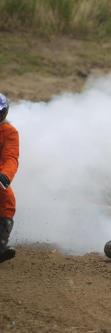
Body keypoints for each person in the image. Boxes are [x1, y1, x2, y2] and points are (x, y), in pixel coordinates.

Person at [0, 93, 19, 263]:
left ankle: (0, 246)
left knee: (7, 199)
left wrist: (5, 176)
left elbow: (11, 157)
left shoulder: (9, 132)